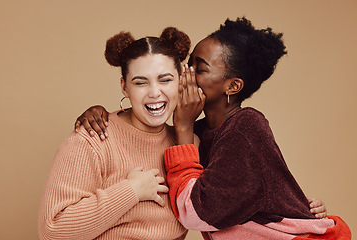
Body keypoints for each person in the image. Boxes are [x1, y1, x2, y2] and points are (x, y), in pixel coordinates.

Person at [74, 18, 351, 239]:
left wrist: (182, 128)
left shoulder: (247, 126)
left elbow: (196, 212)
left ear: (232, 86)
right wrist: (103, 113)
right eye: (189, 63)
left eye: (201, 68)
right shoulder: (204, 130)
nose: (188, 73)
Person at [38, 27, 192, 240]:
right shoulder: (93, 138)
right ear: (124, 87)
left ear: (181, 80)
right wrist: (130, 190)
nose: (155, 92)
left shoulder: (188, 143)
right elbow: (53, 230)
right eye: (140, 82)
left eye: (165, 80)